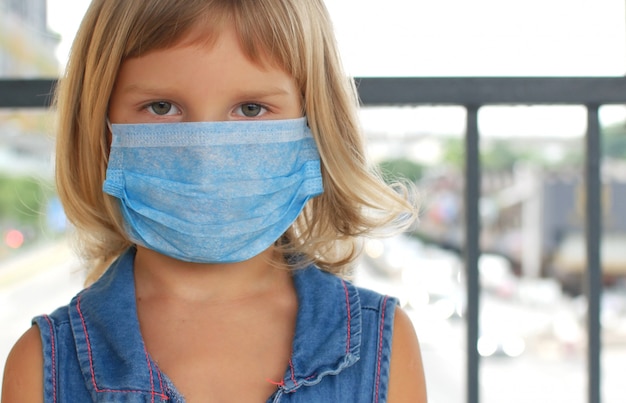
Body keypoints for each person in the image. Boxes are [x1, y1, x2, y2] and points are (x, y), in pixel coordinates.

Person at [1, 0, 427, 401]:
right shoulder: (42, 368)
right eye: (162, 106)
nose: (204, 152)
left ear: (314, 122)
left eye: (251, 109)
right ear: (100, 125)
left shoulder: (382, 347)